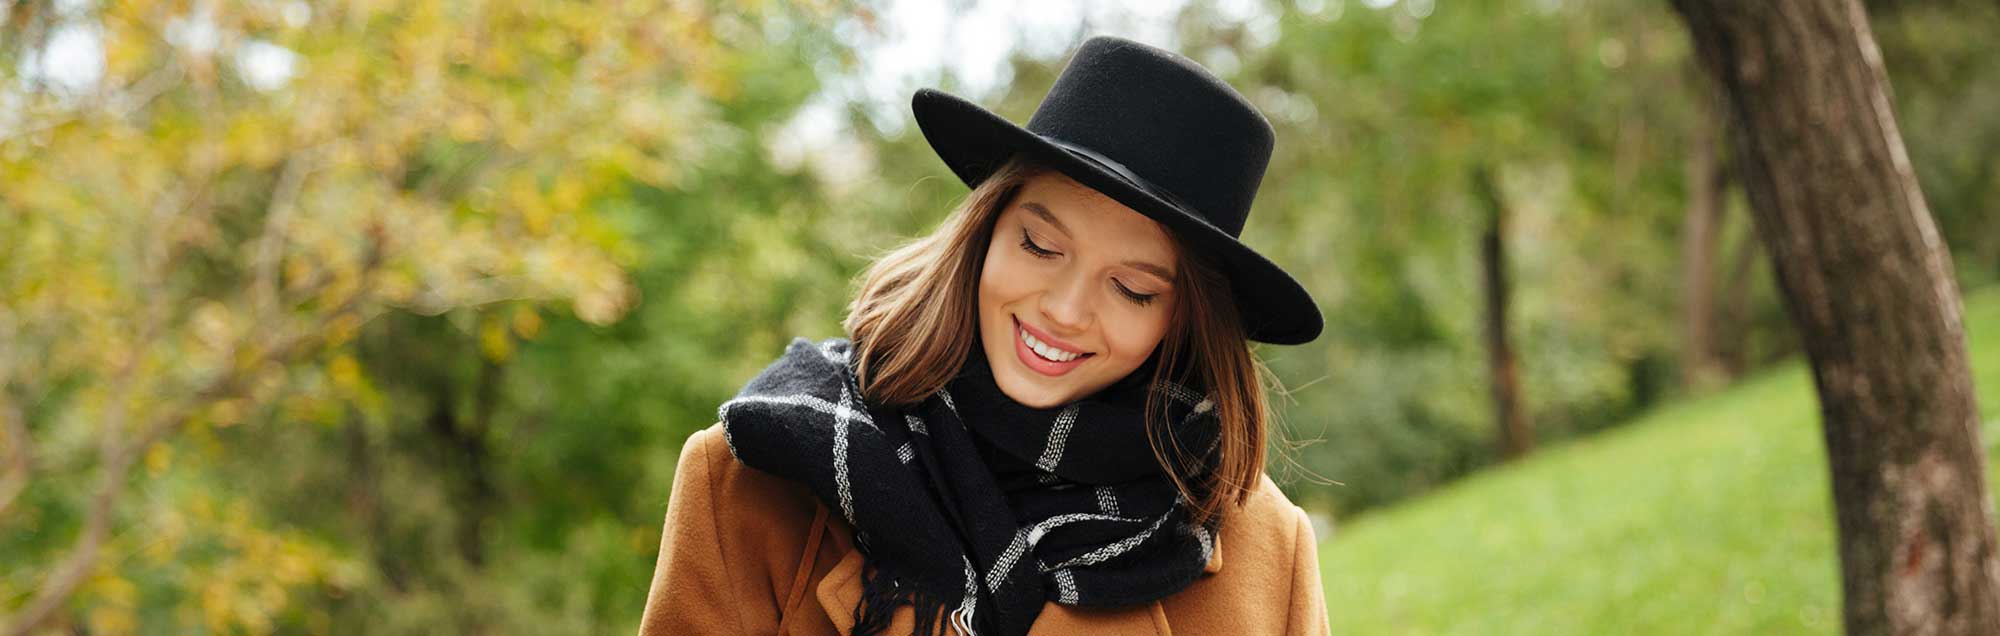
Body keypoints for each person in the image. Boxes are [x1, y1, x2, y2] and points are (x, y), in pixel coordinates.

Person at [638, 35, 1330, 636]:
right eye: (1039, 245)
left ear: (1182, 320)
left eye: (1132, 289)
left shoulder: (1268, 548)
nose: (1064, 309)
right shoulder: (754, 478)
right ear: (987, 230)